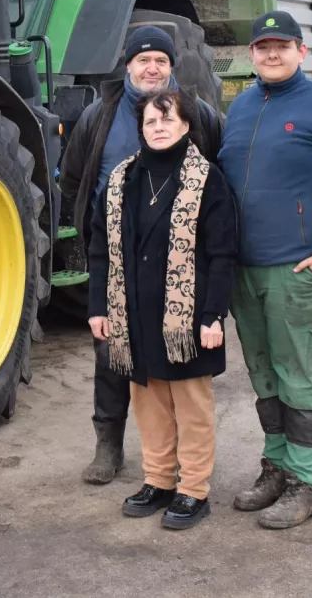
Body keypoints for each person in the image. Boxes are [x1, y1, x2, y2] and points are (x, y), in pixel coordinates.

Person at [217, 10, 312, 529]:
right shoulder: (240, 106)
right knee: (265, 378)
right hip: (247, 274)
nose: (271, 54)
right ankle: (278, 468)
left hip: (300, 272)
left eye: (282, 46)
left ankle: (309, 482)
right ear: (252, 55)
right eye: (262, 47)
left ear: (301, 51)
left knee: (303, 381)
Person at [59, 24, 224, 485]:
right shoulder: (99, 116)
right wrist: (98, 233)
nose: (152, 68)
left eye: (161, 61)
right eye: (142, 60)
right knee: (114, 356)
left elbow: (221, 174)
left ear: (172, 67)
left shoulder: (200, 115)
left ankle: (185, 473)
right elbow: (73, 178)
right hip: (118, 260)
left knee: (179, 365)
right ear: (127, 65)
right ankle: (108, 447)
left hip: (181, 267)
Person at [86, 88, 237, 530]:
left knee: (190, 405)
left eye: (167, 121)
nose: (158, 128)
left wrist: (213, 315)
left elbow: (223, 254)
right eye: (151, 122)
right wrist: (100, 307)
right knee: (148, 401)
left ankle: (193, 489)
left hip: (187, 319)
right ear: (141, 128)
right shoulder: (121, 181)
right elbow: (100, 250)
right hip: (133, 316)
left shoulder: (207, 180)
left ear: (186, 125)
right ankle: (158, 480)